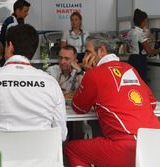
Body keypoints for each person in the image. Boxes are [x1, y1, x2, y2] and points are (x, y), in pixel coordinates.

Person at [64, 33, 160, 167]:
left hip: (126, 148)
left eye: (88, 52)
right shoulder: (130, 69)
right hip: (154, 143)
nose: (85, 57)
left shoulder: (93, 74)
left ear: (102, 50)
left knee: (72, 149)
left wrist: (87, 73)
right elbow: (151, 103)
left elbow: (78, 107)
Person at [0, 24, 67, 142]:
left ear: (10, 46)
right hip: (43, 159)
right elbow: (61, 134)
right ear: (33, 50)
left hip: (1, 159)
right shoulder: (51, 84)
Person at [127, 8, 160, 83]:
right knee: (142, 84)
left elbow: (127, 50)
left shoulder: (130, 31)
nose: (146, 22)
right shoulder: (140, 33)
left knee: (134, 83)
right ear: (143, 21)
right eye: (146, 20)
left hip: (131, 60)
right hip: (139, 61)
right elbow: (150, 52)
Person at [0, 0, 30, 66]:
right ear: (18, 11)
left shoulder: (13, 21)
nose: (27, 13)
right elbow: (14, 44)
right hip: (10, 57)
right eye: (25, 11)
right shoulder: (12, 24)